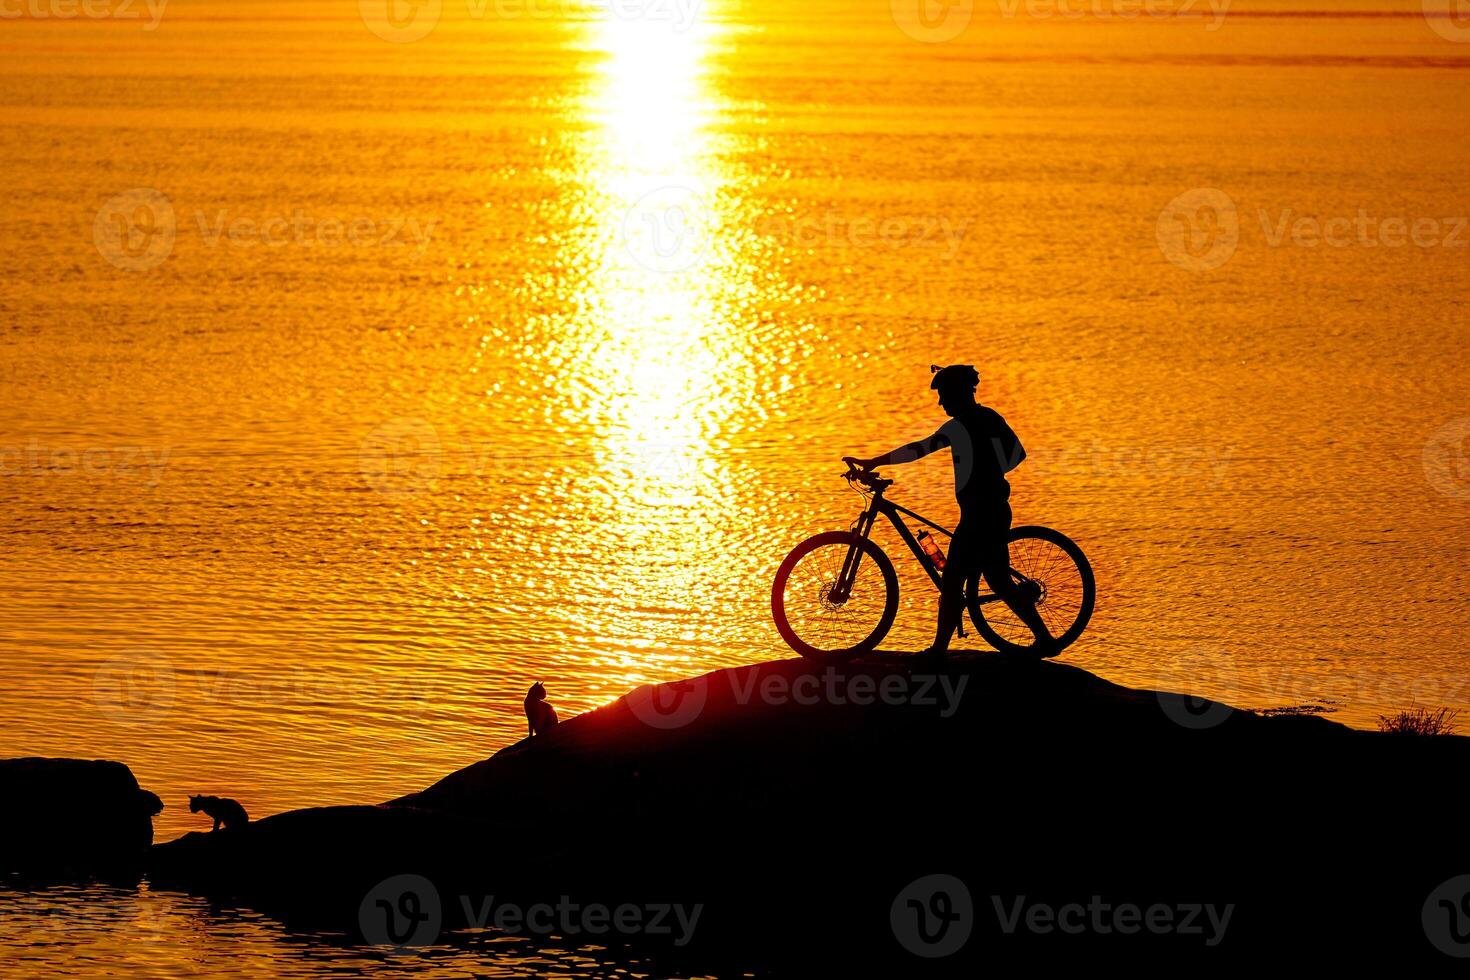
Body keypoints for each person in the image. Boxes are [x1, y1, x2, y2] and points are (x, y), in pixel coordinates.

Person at [844, 364, 1056, 659]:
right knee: (996, 579)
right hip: (989, 509)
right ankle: (1043, 638)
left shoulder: (963, 425)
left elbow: (919, 449)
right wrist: (994, 472)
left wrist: (874, 462)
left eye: (944, 395)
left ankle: (939, 651)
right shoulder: (986, 418)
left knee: (955, 580)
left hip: (981, 514)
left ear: (959, 393)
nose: (941, 402)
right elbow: (1017, 454)